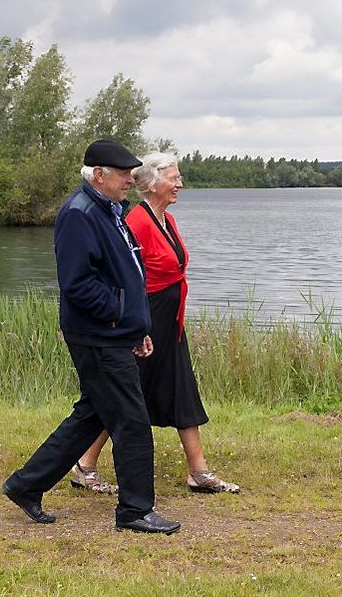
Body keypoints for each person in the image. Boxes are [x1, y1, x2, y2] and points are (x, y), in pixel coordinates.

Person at [2, 139, 181, 535]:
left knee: (92, 415)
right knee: (132, 420)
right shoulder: (79, 215)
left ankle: (26, 484)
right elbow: (78, 285)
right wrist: (121, 316)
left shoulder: (111, 210)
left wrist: (138, 327)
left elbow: (126, 274)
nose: (129, 182)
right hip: (97, 336)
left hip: (115, 333)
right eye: (123, 175)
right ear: (98, 175)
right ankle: (135, 511)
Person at [74, 151, 239, 495]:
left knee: (182, 389)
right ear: (150, 184)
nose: (180, 183)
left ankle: (199, 471)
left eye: (179, 177)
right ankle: (84, 465)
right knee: (124, 395)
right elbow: (121, 274)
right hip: (145, 322)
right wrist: (134, 325)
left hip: (170, 322)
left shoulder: (167, 220)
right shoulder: (137, 221)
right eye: (174, 178)